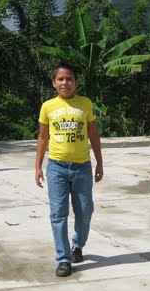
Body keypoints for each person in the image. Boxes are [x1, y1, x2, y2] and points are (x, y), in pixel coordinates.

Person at [35, 61, 104, 277]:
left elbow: (93, 134)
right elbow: (43, 137)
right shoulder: (48, 106)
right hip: (57, 167)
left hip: (82, 167)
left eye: (69, 79)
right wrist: (37, 166)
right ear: (54, 83)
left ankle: (78, 244)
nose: (65, 83)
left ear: (76, 82)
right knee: (58, 213)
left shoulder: (85, 104)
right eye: (61, 79)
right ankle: (63, 258)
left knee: (85, 210)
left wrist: (99, 162)